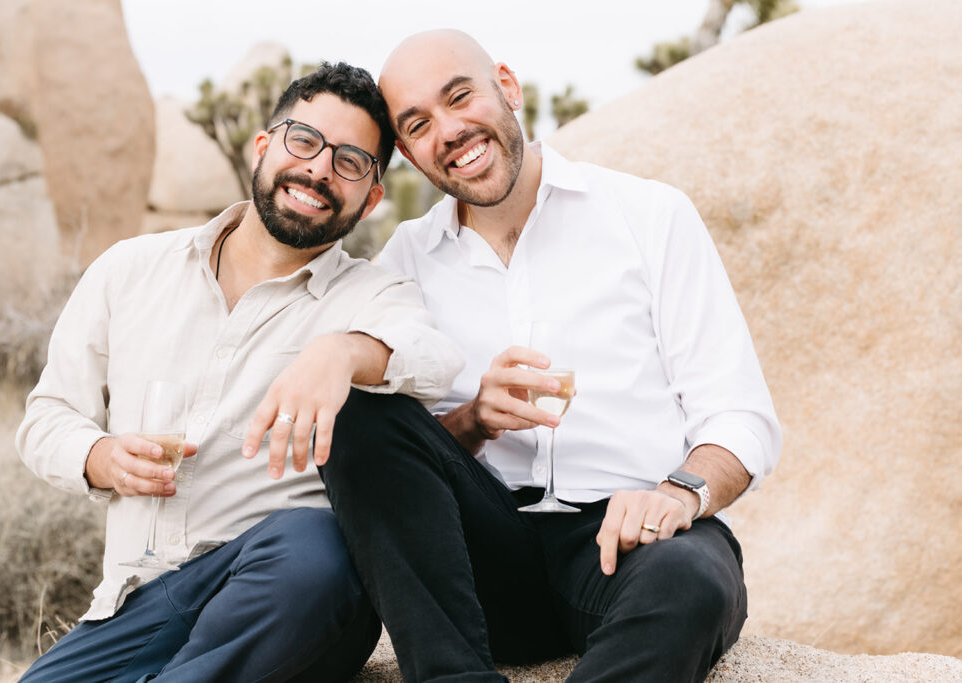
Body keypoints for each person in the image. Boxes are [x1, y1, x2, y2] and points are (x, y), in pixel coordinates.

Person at [319, 31, 782, 682]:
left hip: (632, 541)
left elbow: (740, 417)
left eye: (460, 96)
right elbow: (403, 460)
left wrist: (678, 494)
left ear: (505, 85)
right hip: (488, 555)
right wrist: (476, 416)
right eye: (418, 124)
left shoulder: (648, 215)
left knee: (690, 580)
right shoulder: (407, 260)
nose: (449, 130)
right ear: (411, 155)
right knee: (354, 410)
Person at [16, 61, 462, 683]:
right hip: (134, 603)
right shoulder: (130, 269)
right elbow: (46, 417)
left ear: (371, 200)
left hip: (288, 594)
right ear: (263, 146)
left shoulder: (373, 296)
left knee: (314, 548)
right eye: (303, 141)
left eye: (350, 162)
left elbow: (434, 360)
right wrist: (99, 456)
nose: (318, 170)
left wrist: (343, 353)